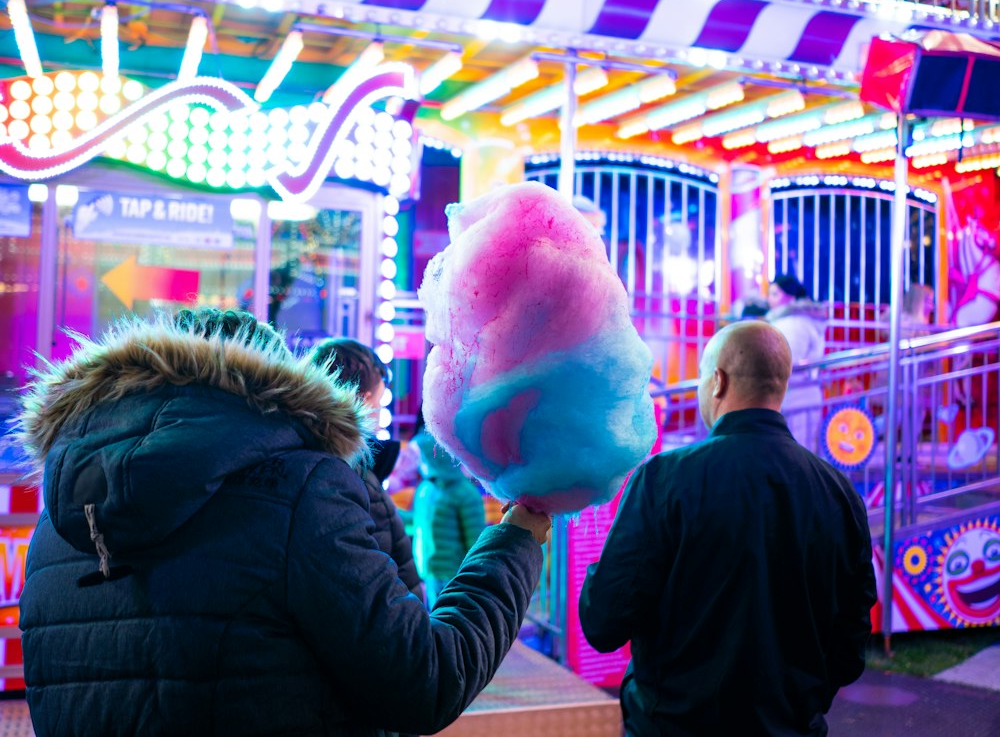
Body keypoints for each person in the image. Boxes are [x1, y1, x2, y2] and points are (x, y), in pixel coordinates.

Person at [18, 307, 550, 737]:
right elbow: (424, 681)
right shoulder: (303, 489)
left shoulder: (59, 525)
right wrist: (517, 538)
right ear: (275, 388)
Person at [580, 321, 875, 736]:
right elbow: (850, 646)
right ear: (781, 386)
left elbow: (603, 621)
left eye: (702, 376)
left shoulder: (666, 480)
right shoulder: (839, 494)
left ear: (717, 381)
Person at [310, 336, 423, 598]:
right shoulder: (357, 478)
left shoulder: (299, 457)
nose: (375, 416)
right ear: (361, 400)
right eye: (376, 405)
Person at [412, 429, 487, 608]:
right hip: (429, 572)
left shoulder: (465, 494)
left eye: (424, 457)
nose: (421, 463)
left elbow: (475, 543)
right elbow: (417, 523)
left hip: (453, 576)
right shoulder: (426, 490)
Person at [766, 272, 828, 448]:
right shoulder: (793, 321)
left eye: (775, 294)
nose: (769, 299)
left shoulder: (793, 324)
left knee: (795, 452)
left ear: (791, 296)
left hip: (797, 396)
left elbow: (786, 360)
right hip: (797, 395)